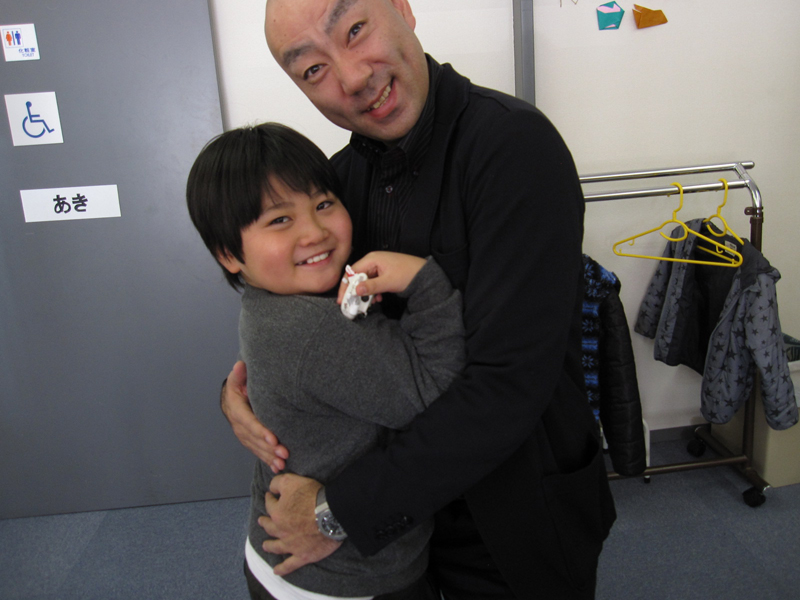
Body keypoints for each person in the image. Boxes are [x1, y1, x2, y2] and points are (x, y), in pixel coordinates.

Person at [222, 0, 617, 597]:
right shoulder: (338, 185)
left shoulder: (512, 147)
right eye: (313, 69)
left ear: (402, 9)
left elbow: (508, 383)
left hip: (510, 508)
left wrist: (336, 512)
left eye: (355, 30)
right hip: (401, 532)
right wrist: (243, 394)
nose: (353, 77)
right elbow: (305, 322)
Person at [186, 122, 465, 599]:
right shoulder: (310, 328)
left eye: (323, 205)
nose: (314, 232)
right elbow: (435, 398)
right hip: (345, 580)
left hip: (287, 564)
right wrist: (425, 282)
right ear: (229, 254)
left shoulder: (268, 304)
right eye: (280, 220)